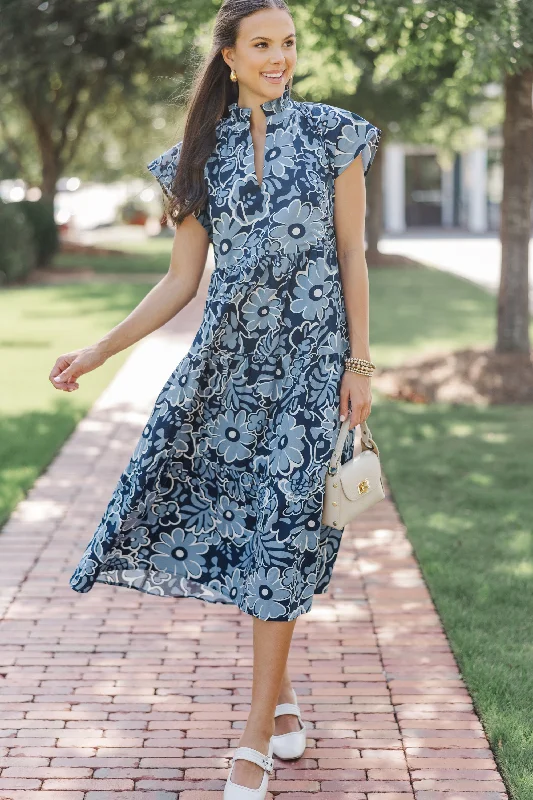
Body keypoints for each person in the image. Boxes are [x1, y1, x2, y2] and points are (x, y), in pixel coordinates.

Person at [49, 1, 381, 797]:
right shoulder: (195, 157)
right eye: (262, 44)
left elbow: (351, 255)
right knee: (240, 527)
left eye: (288, 43)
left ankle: (254, 739)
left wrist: (360, 363)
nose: (279, 57)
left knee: (283, 535)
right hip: (226, 374)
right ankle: (285, 695)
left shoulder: (337, 135)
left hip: (309, 371)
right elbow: (179, 281)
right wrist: (99, 350)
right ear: (228, 57)